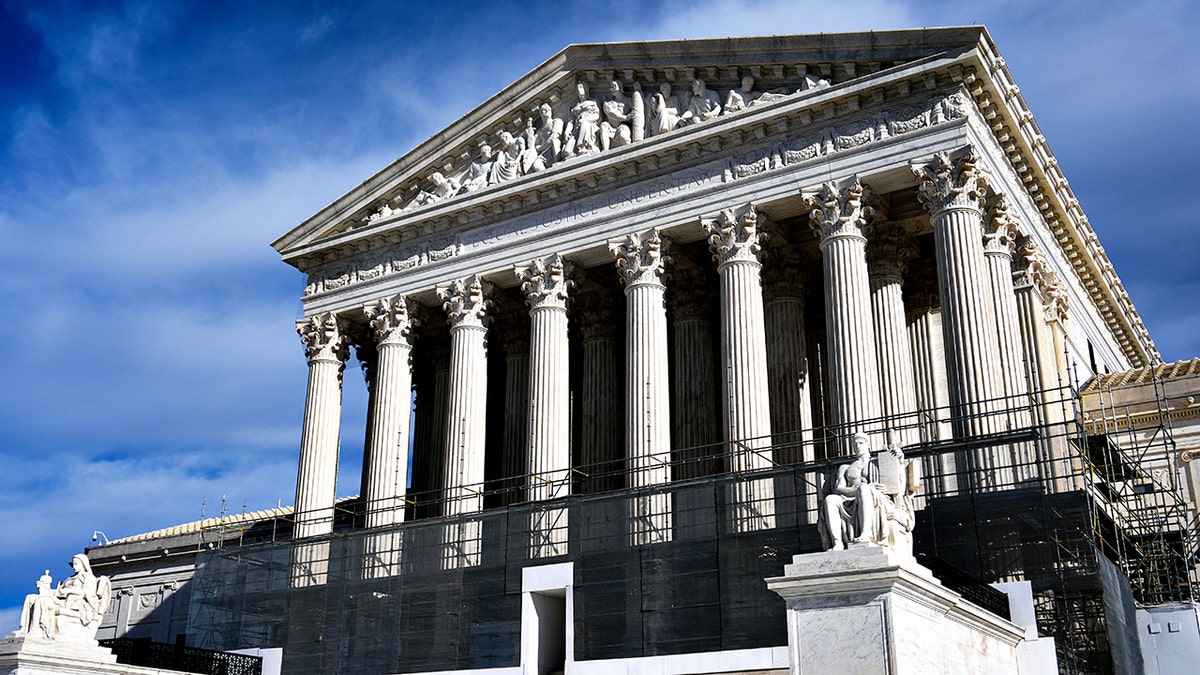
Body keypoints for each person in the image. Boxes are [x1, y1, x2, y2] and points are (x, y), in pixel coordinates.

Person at [818, 432, 917, 553]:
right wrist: (857, 489)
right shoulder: (845, 468)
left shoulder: (879, 462)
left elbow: (898, 479)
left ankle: (866, 534)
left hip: (876, 497)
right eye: (855, 444)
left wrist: (899, 458)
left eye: (861, 443)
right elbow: (838, 489)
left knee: (864, 489)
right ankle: (837, 543)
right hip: (849, 500)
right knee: (830, 499)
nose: (858, 446)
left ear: (868, 445)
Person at [17, 570, 56, 638]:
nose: (73, 567)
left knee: (39, 600)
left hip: (63, 601)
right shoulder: (69, 578)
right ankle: (23, 628)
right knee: (29, 597)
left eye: (76, 564)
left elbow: (79, 592)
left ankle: (35, 631)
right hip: (51, 595)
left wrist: (64, 591)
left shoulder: (80, 579)